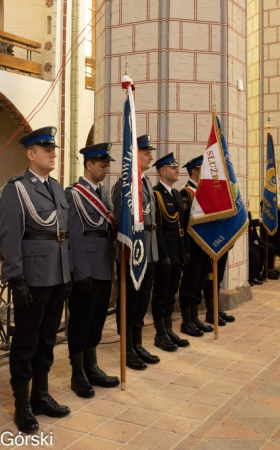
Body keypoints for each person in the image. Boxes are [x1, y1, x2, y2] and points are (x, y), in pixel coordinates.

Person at [0, 126, 71, 433]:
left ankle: (41, 394)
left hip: (57, 275)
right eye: (46, 149)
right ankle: (22, 403)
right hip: (33, 276)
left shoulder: (56, 188)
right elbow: (9, 237)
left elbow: (62, 235)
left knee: (48, 339)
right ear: (30, 154)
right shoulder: (16, 189)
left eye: (53, 149)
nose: (53, 153)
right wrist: (16, 279)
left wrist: (68, 273)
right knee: (26, 342)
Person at [65, 143, 119, 399]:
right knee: (80, 320)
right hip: (86, 267)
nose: (106, 168)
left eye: (107, 164)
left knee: (97, 319)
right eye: (102, 164)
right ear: (88, 165)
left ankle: (92, 366)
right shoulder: (74, 194)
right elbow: (74, 235)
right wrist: (81, 271)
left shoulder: (104, 193)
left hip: (105, 265)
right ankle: (78, 373)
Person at [112, 135, 160, 370]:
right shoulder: (124, 185)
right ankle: (127, 346)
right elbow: (121, 225)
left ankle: (138, 343)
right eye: (146, 152)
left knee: (143, 301)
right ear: (134, 155)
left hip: (149, 249)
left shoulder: (147, 183)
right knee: (130, 300)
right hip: (133, 254)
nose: (151, 156)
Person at [152, 153, 190, 351]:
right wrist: (163, 255)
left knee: (171, 293)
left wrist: (185, 251)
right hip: (165, 252)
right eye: (172, 167)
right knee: (161, 293)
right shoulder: (156, 194)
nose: (177, 170)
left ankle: (169, 329)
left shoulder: (176, 194)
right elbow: (157, 227)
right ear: (162, 171)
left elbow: (181, 225)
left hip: (178, 252)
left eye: (177, 166)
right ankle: (160, 333)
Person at [178, 155, 213, 337]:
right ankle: (186, 321)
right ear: (194, 171)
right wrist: (185, 250)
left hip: (204, 247)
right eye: (202, 170)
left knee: (199, 282)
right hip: (192, 248)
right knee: (189, 284)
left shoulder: (202, 192)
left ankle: (194, 317)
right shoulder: (185, 193)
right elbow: (183, 225)